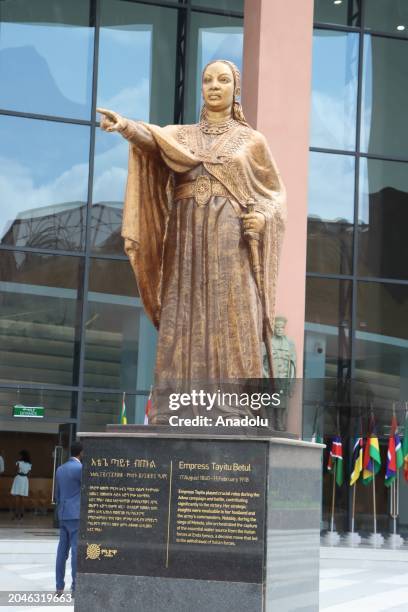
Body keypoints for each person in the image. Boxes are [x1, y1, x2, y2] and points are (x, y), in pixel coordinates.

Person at [97, 60, 286, 420]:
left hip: (230, 237)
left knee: (233, 310)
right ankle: (178, 406)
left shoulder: (252, 141)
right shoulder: (181, 136)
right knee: (185, 309)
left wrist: (261, 217)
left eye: (223, 80)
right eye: (208, 80)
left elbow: (274, 196)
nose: (214, 86)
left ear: (236, 89)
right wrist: (125, 127)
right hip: (186, 236)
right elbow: (153, 140)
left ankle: (236, 406)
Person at [55, 441, 83, 596]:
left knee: (61, 552)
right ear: (82, 453)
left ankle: (59, 586)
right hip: (76, 514)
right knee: (75, 551)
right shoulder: (80, 468)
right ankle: (75, 587)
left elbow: (57, 494)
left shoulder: (60, 469)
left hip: (63, 513)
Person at [10, 450, 31, 520]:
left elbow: (15, 471)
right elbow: (29, 474)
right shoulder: (29, 464)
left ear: (22, 456)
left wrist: (17, 467)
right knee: (23, 497)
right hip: (25, 479)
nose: (19, 456)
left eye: (20, 455)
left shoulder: (18, 463)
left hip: (19, 478)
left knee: (17, 497)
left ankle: (16, 513)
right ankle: (22, 514)